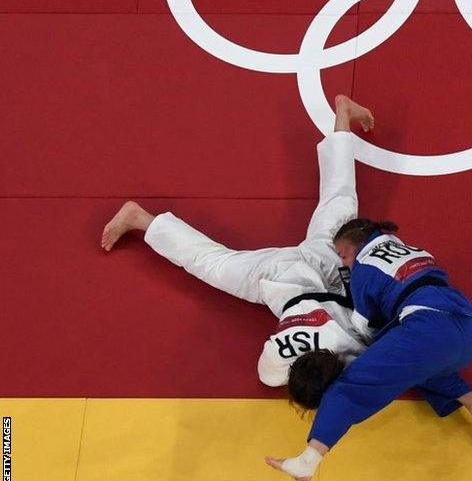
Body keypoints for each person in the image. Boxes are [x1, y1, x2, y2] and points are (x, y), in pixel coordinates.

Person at [99, 95, 376, 385]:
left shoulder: (358, 347)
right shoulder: (288, 351)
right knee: (211, 262)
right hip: (279, 275)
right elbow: (268, 375)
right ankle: (141, 219)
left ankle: (342, 114)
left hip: (329, 263)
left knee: (340, 200)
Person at [265, 191, 472, 481]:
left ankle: (308, 459)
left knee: (352, 385)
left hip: (428, 328)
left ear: (352, 249)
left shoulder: (363, 269)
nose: (343, 262)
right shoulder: (414, 250)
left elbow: (364, 326)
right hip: (465, 327)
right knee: (413, 368)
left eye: (342, 255)